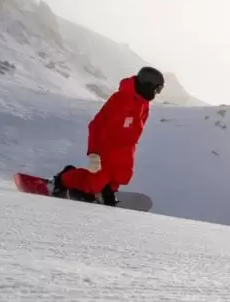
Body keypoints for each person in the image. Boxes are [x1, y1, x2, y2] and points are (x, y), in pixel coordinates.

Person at [52, 66, 164, 205]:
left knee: (122, 176)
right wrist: (93, 152)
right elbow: (96, 124)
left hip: (125, 150)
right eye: (156, 89)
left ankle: (106, 191)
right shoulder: (120, 99)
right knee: (96, 181)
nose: (156, 94)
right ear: (147, 85)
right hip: (107, 148)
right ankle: (64, 179)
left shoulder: (144, 105)